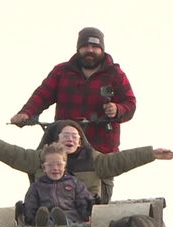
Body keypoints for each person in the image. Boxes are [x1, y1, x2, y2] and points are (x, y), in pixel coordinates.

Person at [10, 27, 137, 202]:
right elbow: (42, 95)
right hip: (62, 152)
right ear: (78, 48)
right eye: (85, 46)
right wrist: (26, 113)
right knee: (37, 167)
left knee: (97, 202)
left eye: (95, 47)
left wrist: (117, 109)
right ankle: (38, 214)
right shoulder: (62, 71)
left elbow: (130, 104)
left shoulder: (115, 74)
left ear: (102, 49)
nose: (90, 51)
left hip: (99, 152)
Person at [0, 120, 173, 204]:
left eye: (75, 136)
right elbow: (11, 153)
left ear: (81, 142)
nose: (70, 138)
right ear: (56, 140)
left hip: (84, 209)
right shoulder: (39, 158)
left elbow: (122, 160)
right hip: (47, 206)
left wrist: (152, 154)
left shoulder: (95, 160)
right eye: (65, 135)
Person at [23, 142, 93, 227]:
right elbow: (30, 207)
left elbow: (83, 202)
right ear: (44, 168)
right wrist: (29, 218)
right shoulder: (37, 187)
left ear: (65, 166)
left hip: (72, 220)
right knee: (46, 218)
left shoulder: (74, 184)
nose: (55, 168)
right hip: (48, 220)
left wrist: (88, 211)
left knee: (69, 221)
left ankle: (63, 225)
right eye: (50, 165)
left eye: (59, 164)